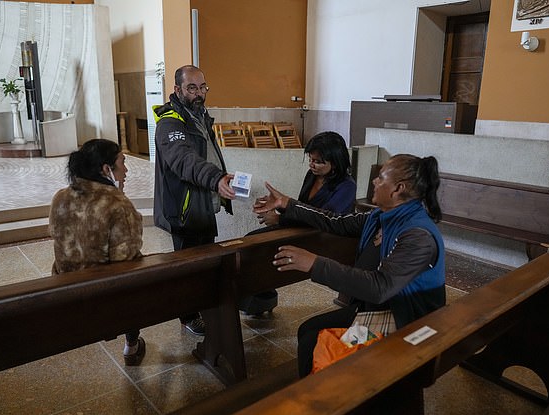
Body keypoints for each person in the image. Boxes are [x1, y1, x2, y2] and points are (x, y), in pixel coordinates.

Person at [253, 154, 445, 377]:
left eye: (381, 178)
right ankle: (319, 393)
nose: (374, 181)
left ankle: (329, 401)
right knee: (308, 331)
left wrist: (314, 263)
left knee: (316, 342)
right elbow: (334, 221)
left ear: (397, 189)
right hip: (379, 309)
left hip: (407, 324)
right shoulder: (381, 216)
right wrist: (287, 204)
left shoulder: (417, 236)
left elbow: (379, 287)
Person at [152, 65, 236, 336]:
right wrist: (215, 179)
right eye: (192, 88)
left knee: (206, 264)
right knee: (187, 270)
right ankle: (188, 316)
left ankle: (205, 307)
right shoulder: (171, 122)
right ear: (177, 90)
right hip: (184, 208)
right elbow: (184, 160)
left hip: (202, 205)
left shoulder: (199, 115)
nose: (199, 93)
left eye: (202, 87)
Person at [49, 139, 146, 366]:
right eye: (122, 162)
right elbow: (127, 259)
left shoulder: (60, 197)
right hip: (106, 297)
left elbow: (58, 238)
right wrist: (118, 196)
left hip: (66, 289)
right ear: (106, 169)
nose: (126, 169)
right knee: (140, 276)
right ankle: (131, 345)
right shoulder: (117, 204)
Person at [241, 131, 357, 315]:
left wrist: (279, 218)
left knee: (258, 248)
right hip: (301, 229)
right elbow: (305, 207)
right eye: (311, 159)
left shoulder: (347, 185)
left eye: (318, 161)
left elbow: (322, 218)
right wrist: (277, 204)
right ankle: (261, 298)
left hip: (323, 238)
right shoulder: (311, 176)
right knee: (250, 242)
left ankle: (261, 298)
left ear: (335, 161)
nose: (312, 165)